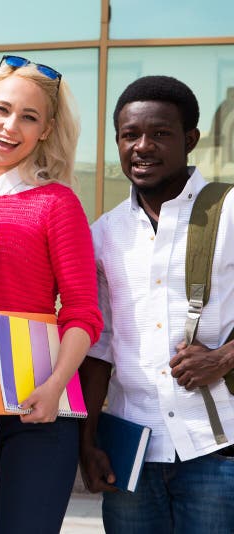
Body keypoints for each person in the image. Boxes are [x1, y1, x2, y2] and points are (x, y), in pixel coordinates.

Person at [0, 55, 103, 533]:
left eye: (29, 117)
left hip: (35, 411)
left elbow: (83, 313)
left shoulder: (57, 203)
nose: (11, 126)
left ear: (46, 130)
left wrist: (55, 384)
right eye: (2, 109)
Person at [79, 75, 234, 534]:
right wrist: (87, 442)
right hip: (133, 451)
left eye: (160, 134)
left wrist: (224, 357)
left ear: (190, 140)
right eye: (130, 135)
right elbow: (99, 344)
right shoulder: (104, 232)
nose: (142, 147)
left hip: (218, 447)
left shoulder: (228, 211)